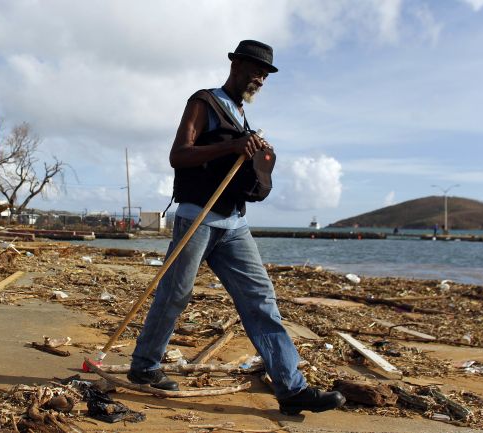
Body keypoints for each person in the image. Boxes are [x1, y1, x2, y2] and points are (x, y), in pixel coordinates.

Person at [127, 40, 345, 415]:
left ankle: (292, 388)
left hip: (233, 224)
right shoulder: (204, 102)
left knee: (261, 300)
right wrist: (233, 147)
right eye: (255, 70)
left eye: (265, 74)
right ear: (236, 65)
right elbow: (178, 155)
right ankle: (145, 366)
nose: (259, 78)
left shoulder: (241, 115)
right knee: (175, 294)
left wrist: (255, 152)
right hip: (197, 217)